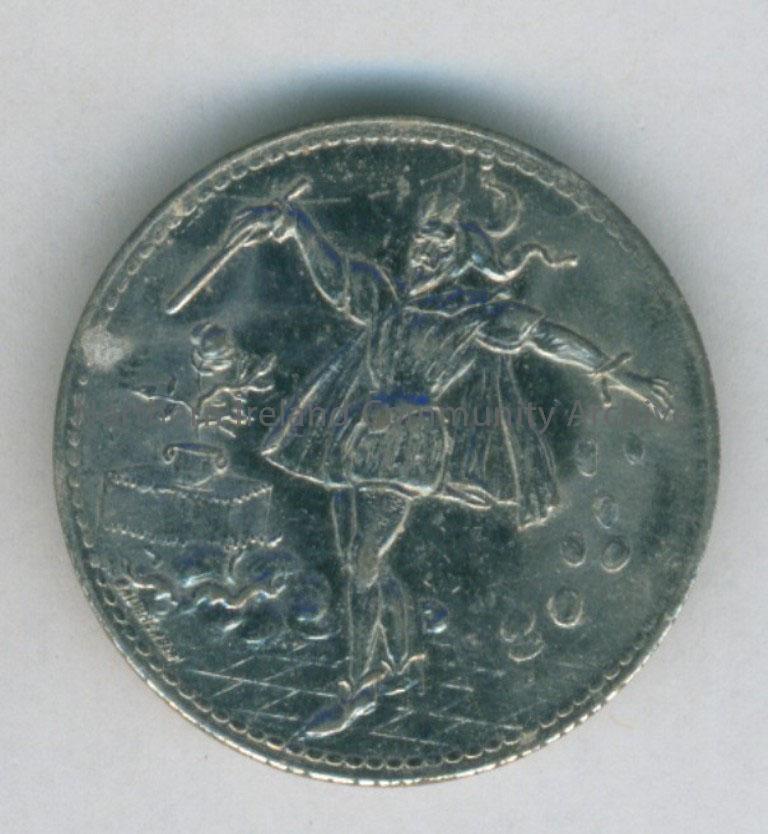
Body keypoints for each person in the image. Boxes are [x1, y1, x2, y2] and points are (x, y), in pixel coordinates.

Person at [167, 174, 672, 738]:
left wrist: (611, 371)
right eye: (422, 239)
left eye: (441, 242)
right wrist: (295, 223)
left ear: (461, 255)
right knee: (362, 559)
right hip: (360, 436)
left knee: (363, 560)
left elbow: (543, 336)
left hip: (407, 444)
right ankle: (403, 656)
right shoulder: (386, 299)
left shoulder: (472, 312)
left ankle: (359, 686)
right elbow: (336, 274)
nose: (427, 250)